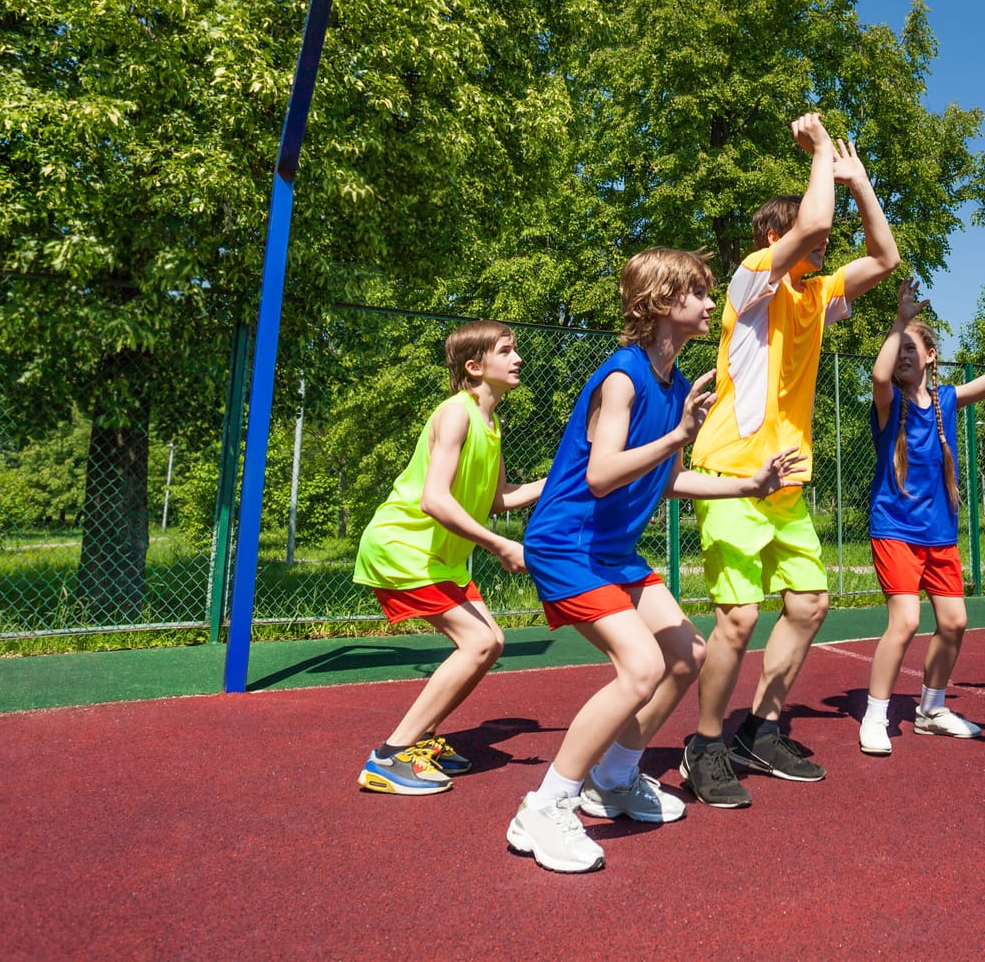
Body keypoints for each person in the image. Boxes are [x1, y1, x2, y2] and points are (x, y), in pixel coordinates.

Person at [506, 248, 801, 874]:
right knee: (639, 667)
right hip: (568, 545)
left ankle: (612, 778)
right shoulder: (623, 377)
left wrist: (750, 486)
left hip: (612, 550)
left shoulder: (672, 388)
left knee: (688, 655)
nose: (706, 302)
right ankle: (544, 805)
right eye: (696, 292)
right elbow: (604, 472)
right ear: (664, 301)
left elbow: (669, 482)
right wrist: (676, 438)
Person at [683, 112, 900, 807]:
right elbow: (814, 228)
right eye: (806, 233)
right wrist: (816, 154)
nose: (821, 239)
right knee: (738, 619)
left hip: (786, 482)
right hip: (730, 478)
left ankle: (761, 727)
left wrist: (860, 182)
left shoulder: (814, 295)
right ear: (777, 240)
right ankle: (705, 744)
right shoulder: (751, 282)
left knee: (808, 604)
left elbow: (885, 258)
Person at [352, 320, 543, 795]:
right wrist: (499, 545)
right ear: (475, 367)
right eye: (506, 350)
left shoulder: (492, 422)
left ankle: (424, 741)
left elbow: (498, 499)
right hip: (404, 548)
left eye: (515, 349)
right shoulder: (455, 413)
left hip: (439, 557)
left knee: (490, 642)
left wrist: (566, 477)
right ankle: (390, 756)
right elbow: (434, 499)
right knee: (478, 644)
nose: (517, 358)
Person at [856, 275, 985, 757]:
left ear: (930, 356)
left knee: (954, 622)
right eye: (898, 347)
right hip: (896, 528)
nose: (903, 353)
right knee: (904, 621)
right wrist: (900, 322)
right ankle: (874, 715)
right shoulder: (889, 405)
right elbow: (878, 377)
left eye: (912, 347)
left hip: (939, 533)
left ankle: (930, 710)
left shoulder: (947, 400)